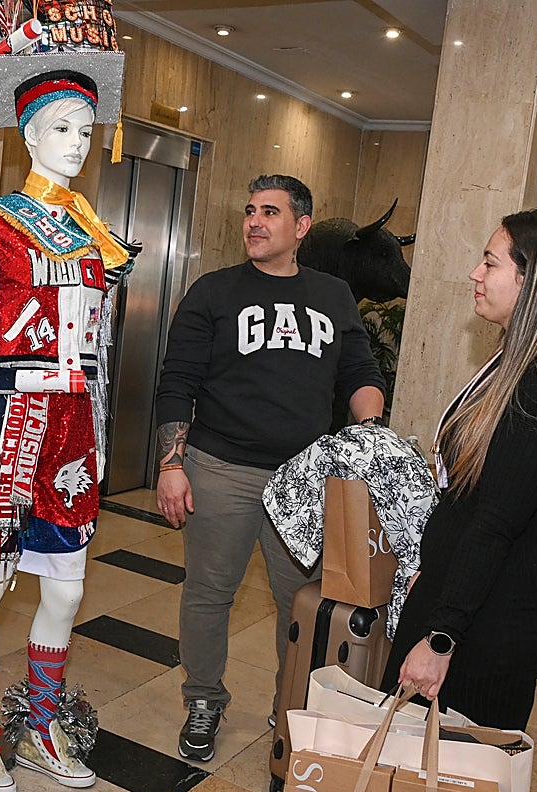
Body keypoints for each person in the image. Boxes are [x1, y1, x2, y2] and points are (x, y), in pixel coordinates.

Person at [0, 69, 137, 792]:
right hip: (3, 423)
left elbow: (99, 351)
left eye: (86, 130)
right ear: (29, 134)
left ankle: (42, 726)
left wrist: (99, 434)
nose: (76, 143)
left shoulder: (98, 240)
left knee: (66, 591)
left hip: (71, 433)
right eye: (61, 128)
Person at [154, 174, 386, 761]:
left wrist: (371, 433)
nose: (254, 222)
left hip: (305, 479)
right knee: (208, 593)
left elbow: (360, 373)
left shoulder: (333, 295)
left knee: (302, 604)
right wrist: (171, 464)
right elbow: (177, 382)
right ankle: (203, 699)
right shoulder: (213, 292)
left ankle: (291, 708)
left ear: (301, 227)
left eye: (270, 212)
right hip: (220, 469)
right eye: (250, 210)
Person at [381, 208, 537, 730]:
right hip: (471, 599)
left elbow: (496, 522)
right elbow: (471, 499)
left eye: (490, 262)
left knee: (452, 768)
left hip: (492, 618)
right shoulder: (518, 366)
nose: (475, 274)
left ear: (533, 281)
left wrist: (442, 636)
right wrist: (435, 572)